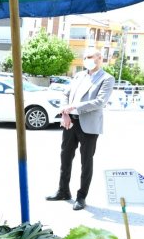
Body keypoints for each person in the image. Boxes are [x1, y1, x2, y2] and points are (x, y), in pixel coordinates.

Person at [46, 49, 115, 211]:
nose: (87, 60)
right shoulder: (79, 76)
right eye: (84, 57)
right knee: (65, 157)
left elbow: (99, 102)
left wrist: (74, 107)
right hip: (70, 122)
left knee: (86, 162)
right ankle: (63, 191)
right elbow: (66, 94)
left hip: (89, 125)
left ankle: (81, 196)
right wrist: (65, 112)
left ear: (99, 59)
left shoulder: (106, 78)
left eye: (90, 57)